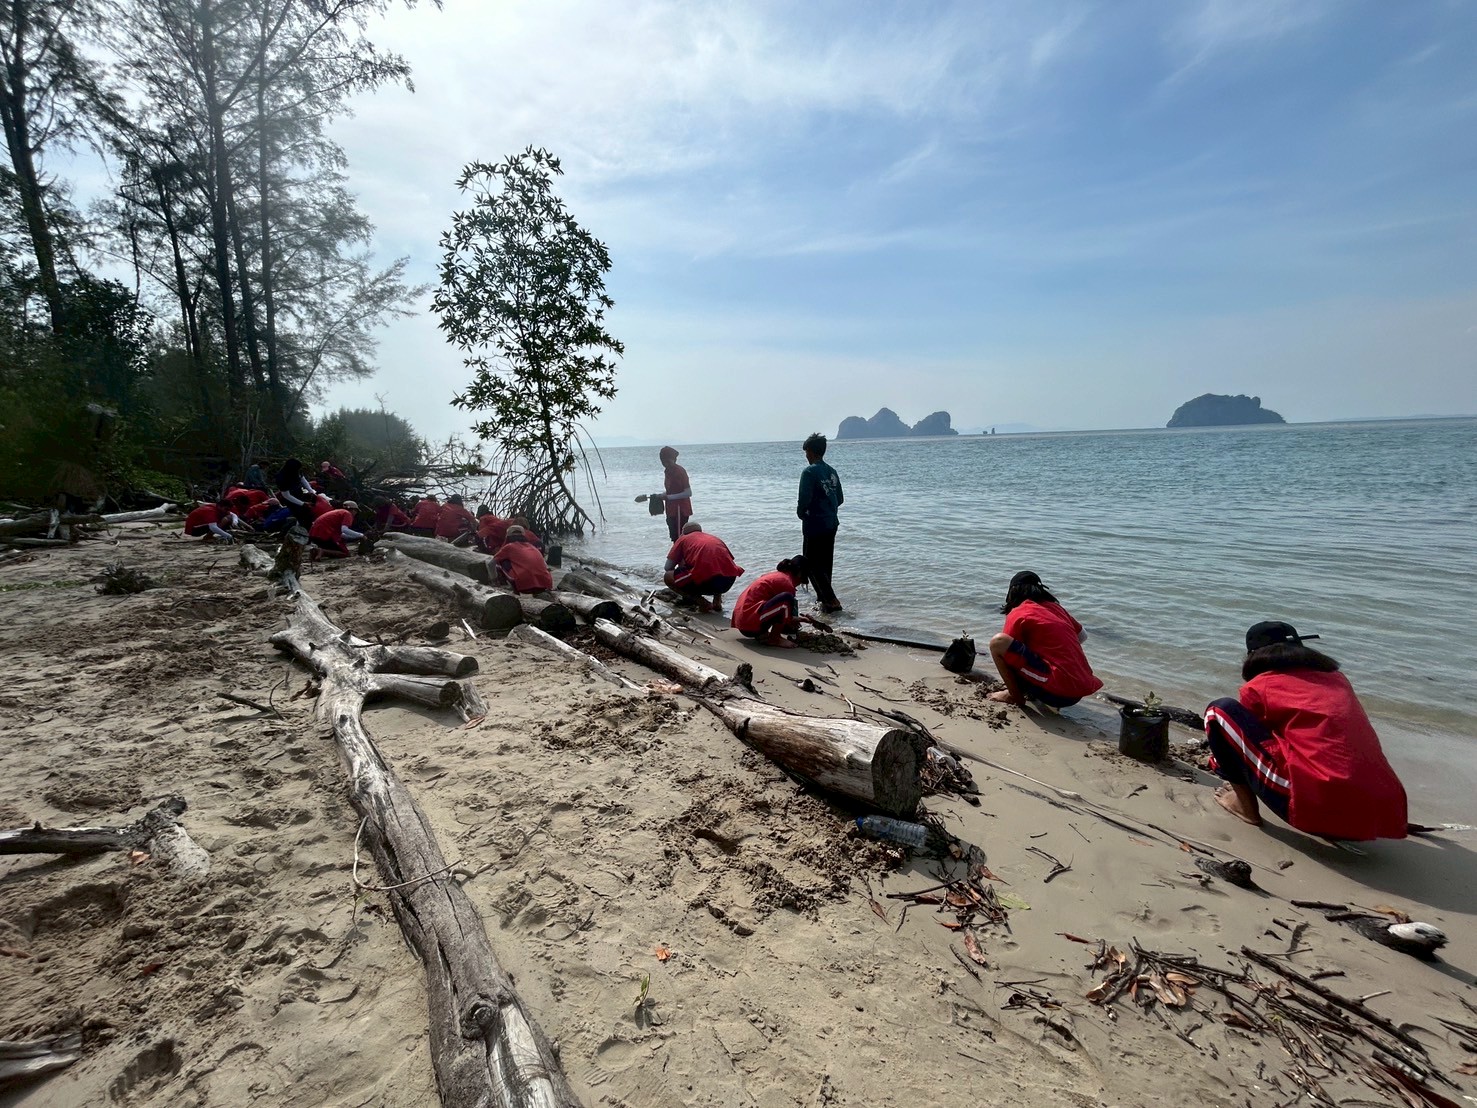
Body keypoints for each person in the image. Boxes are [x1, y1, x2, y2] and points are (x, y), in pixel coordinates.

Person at [1203, 622, 1407, 840]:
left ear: (1253, 657)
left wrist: (1219, 762)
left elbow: (1253, 746)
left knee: (1219, 711)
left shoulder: (1259, 686)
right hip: (1381, 811)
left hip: (1316, 807)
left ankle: (1244, 807)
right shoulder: (1338, 679)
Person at [987, 571, 1102, 708]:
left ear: (1012, 592)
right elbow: (1082, 636)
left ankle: (1014, 696)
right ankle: (1040, 685)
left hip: (1056, 693)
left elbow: (1007, 653)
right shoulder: (1057, 608)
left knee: (998, 642)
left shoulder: (1020, 611)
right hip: (1079, 691)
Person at [797, 432, 844, 613]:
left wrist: (801, 513)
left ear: (811, 451)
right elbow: (840, 498)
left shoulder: (809, 472)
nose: (806, 456)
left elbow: (804, 499)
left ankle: (831, 600)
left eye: (806, 452)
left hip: (814, 523)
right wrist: (827, 507)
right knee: (825, 563)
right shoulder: (832, 471)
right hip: (831, 522)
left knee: (811, 563)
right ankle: (822, 600)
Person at [731, 556, 823, 648]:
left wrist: (801, 619)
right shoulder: (787, 583)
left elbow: (778, 612)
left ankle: (762, 634)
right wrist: (792, 622)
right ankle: (774, 638)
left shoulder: (774, 576)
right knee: (787, 598)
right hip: (749, 624)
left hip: (742, 621)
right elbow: (785, 614)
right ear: (800, 573)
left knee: (786, 603)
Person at [664, 522, 743, 613]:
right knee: (717, 568)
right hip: (728, 581)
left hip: (707, 582)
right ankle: (717, 601)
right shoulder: (714, 539)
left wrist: (681, 564)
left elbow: (668, 567)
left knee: (668, 576)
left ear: (684, 532)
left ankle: (702, 602)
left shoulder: (683, 539)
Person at [492, 525, 553, 593]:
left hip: (524, 586)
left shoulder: (509, 547)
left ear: (507, 536)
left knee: (501, 562)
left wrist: (493, 579)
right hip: (545, 584)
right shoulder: (532, 547)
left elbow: (491, 563)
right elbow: (546, 567)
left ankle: (509, 585)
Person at [658, 446, 692, 543]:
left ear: (674, 459)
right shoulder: (667, 471)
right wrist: (662, 495)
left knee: (680, 537)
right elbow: (672, 490)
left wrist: (669, 497)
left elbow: (688, 493)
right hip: (670, 509)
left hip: (680, 509)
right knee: (673, 536)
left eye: (668, 461)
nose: (665, 464)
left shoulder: (679, 471)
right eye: (663, 462)